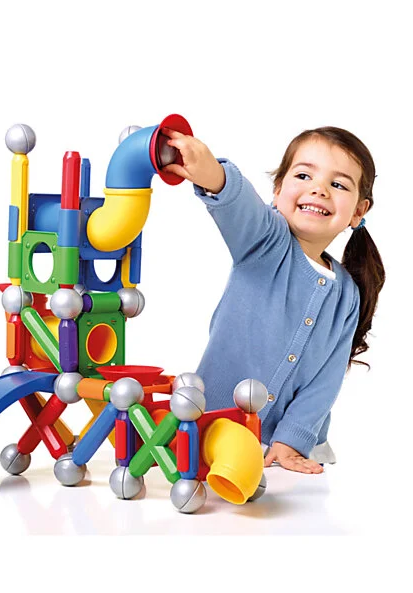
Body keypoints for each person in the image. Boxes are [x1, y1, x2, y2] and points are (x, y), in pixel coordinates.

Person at [162, 126, 385, 474]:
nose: (319, 189)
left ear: (358, 211)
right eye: (304, 175)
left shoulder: (347, 294)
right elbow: (239, 205)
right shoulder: (265, 241)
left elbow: (326, 381)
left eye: (338, 184)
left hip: (282, 453)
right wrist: (211, 173)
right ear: (278, 189)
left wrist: (291, 441)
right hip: (215, 429)